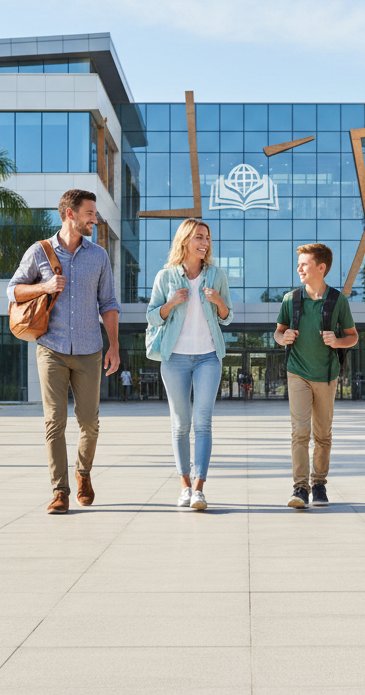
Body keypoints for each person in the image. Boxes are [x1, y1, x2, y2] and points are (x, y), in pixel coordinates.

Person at [8, 189, 121, 515]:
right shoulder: (39, 252)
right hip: (51, 349)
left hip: (89, 350)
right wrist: (44, 286)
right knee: (54, 421)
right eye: (90, 213)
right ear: (70, 214)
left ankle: (83, 472)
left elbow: (108, 303)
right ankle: (60, 491)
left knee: (89, 423)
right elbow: (12, 290)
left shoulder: (99, 256)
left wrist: (114, 346)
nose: (95, 219)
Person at [146, 218, 233, 511]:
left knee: (203, 423)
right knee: (181, 424)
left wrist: (218, 301)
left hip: (209, 356)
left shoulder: (217, 275)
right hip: (175, 358)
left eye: (207, 238)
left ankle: (199, 489)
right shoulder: (166, 277)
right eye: (199, 237)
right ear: (184, 241)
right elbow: (152, 316)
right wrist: (171, 303)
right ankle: (184, 486)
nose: (204, 243)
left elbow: (227, 317)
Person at [275, 243, 358, 509]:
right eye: (298, 264)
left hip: (326, 374)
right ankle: (300, 487)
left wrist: (337, 341)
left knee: (322, 434)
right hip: (297, 372)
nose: (299, 268)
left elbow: (353, 337)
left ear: (321, 268)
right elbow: (278, 332)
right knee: (300, 432)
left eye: (304, 264)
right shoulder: (291, 299)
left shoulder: (338, 300)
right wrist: (283, 338)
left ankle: (319, 484)